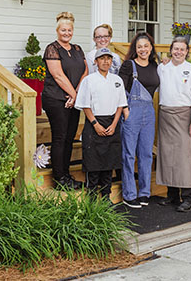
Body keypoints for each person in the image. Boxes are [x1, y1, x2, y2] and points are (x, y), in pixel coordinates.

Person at [156, 36, 191, 212]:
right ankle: (172, 195)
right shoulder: (162, 68)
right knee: (167, 154)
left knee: (184, 156)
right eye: (175, 48)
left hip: (184, 115)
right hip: (165, 115)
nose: (178, 52)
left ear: (187, 52)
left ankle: (189, 196)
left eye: (182, 49)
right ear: (170, 50)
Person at [42, 12, 88, 190]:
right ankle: (59, 178)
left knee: (70, 138)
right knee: (60, 138)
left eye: (69, 30)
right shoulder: (52, 49)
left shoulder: (77, 49)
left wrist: (76, 94)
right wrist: (75, 96)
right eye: (63, 30)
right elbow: (58, 76)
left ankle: (67, 175)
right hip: (56, 98)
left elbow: (85, 71)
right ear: (57, 30)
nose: (66, 33)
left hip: (72, 98)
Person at [75, 48, 128, 200]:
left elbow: (120, 104)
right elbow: (85, 105)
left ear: (112, 61)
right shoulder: (88, 80)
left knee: (109, 163)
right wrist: (95, 124)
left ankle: (106, 198)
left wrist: (115, 124)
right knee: (93, 163)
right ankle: (91, 198)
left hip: (112, 123)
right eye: (102, 58)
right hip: (94, 123)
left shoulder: (117, 80)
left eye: (108, 58)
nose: (106, 61)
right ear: (96, 62)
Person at [118, 32, 160, 209]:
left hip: (149, 112)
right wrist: (125, 110)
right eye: (139, 46)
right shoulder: (129, 65)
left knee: (145, 154)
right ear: (135, 49)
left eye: (146, 46)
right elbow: (118, 88)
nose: (143, 49)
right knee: (128, 154)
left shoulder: (154, 66)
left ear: (151, 47)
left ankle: (144, 192)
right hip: (131, 111)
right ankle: (129, 194)